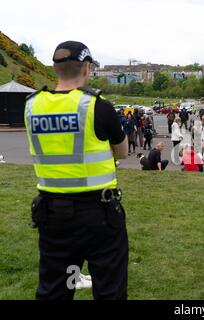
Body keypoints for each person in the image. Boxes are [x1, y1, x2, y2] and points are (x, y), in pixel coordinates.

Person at [24, 41, 129, 300]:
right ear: (87, 68)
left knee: (54, 288)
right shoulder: (96, 105)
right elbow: (123, 151)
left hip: (52, 212)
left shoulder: (32, 105)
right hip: (98, 212)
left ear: (54, 68)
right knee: (109, 288)